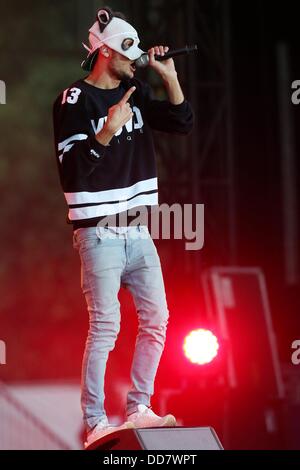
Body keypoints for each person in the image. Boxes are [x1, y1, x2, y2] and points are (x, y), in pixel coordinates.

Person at [52, 6, 194, 448]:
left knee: (157, 319)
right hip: (99, 232)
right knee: (106, 325)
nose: (135, 59)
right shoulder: (74, 101)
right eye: (128, 50)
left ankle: (138, 407)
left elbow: (182, 123)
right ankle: (95, 420)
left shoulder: (135, 89)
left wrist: (168, 76)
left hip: (138, 229)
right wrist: (106, 133)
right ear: (106, 51)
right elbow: (73, 172)